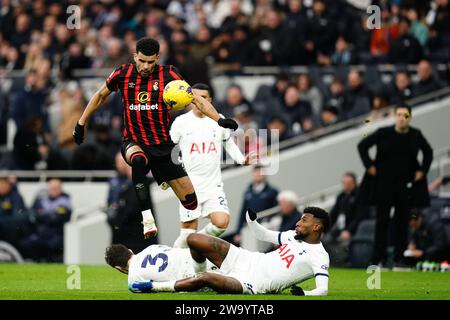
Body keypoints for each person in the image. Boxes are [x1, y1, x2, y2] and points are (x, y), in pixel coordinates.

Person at [73, 37, 238, 237]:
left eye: (150, 62)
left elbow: (197, 100)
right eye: (142, 61)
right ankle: (147, 218)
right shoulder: (122, 73)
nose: (145, 66)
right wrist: (81, 123)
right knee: (138, 160)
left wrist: (219, 120)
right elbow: (100, 95)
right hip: (134, 141)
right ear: (135, 56)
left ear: (157, 58)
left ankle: (163, 178)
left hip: (163, 146)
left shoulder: (169, 75)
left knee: (191, 203)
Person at [106, 207, 330, 295]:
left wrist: (305, 294)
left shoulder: (319, 256)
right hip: (247, 259)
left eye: (304, 220)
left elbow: (323, 290)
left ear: (317, 227)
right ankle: (194, 276)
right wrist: (252, 222)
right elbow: (264, 235)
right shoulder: (292, 236)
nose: (298, 223)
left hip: (254, 283)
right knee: (194, 239)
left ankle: (161, 287)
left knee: (205, 278)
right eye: (300, 219)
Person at [170, 83, 255, 248]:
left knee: (221, 222)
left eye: (204, 98)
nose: (199, 101)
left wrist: (241, 159)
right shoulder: (180, 122)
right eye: (195, 97)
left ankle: (189, 243)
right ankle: (182, 258)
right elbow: (168, 150)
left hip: (213, 185)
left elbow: (227, 142)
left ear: (210, 100)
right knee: (188, 229)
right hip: (188, 186)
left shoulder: (218, 119)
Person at [357, 104, 433, 267]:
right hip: (384, 184)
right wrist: (369, 165)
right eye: (398, 114)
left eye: (405, 115)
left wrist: (423, 171)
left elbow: (428, 152)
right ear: (394, 116)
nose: (401, 118)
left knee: (402, 222)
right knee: (382, 221)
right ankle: (378, 259)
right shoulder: (384, 132)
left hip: (405, 185)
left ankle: (400, 258)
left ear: (410, 117)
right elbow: (362, 146)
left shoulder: (415, 134)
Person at [20, 178, 72, 262]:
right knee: (26, 243)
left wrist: (43, 215)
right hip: (41, 233)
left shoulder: (65, 202)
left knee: (54, 245)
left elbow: (59, 218)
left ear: (60, 189)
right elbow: (33, 214)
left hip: (57, 234)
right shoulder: (42, 200)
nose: (53, 191)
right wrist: (49, 215)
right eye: (52, 188)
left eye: (56, 188)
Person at [233, 165, 279, 246]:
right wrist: (238, 232)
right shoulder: (248, 192)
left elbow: (276, 213)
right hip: (250, 229)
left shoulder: (272, 192)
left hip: (266, 229)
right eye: (256, 172)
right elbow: (243, 212)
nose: (258, 174)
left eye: (260, 172)